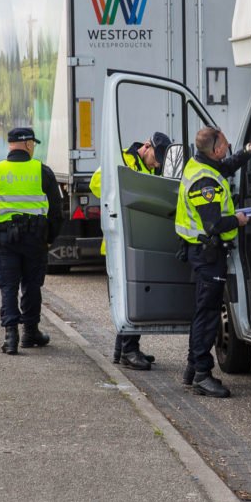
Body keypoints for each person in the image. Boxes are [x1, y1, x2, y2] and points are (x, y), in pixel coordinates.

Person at [175, 127, 251, 397]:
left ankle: (191, 369)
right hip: (208, 254)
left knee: (202, 312)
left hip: (203, 253)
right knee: (207, 316)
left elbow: (225, 168)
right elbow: (214, 223)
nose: (229, 145)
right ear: (217, 149)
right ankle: (202, 376)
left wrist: (247, 153)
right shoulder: (204, 183)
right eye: (226, 143)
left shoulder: (202, 165)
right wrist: (239, 220)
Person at [0, 127, 64, 355]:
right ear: (26, 144)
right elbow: (56, 210)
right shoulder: (42, 171)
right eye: (33, 143)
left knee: (8, 286)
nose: (34, 147)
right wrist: (49, 238)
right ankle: (30, 332)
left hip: (3, 240)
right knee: (32, 285)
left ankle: (11, 336)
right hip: (35, 240)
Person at [90, 131, 172, 371]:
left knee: (133, 296)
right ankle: (129, 350)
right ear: (146, 146)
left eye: (159, 162)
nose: (156, 164)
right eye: (155, 159)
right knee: (129, 297)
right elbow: (96, 184)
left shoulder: (146, 168)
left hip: (134, 237)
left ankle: (122, 349)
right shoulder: (121, 159)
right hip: (120, 241)